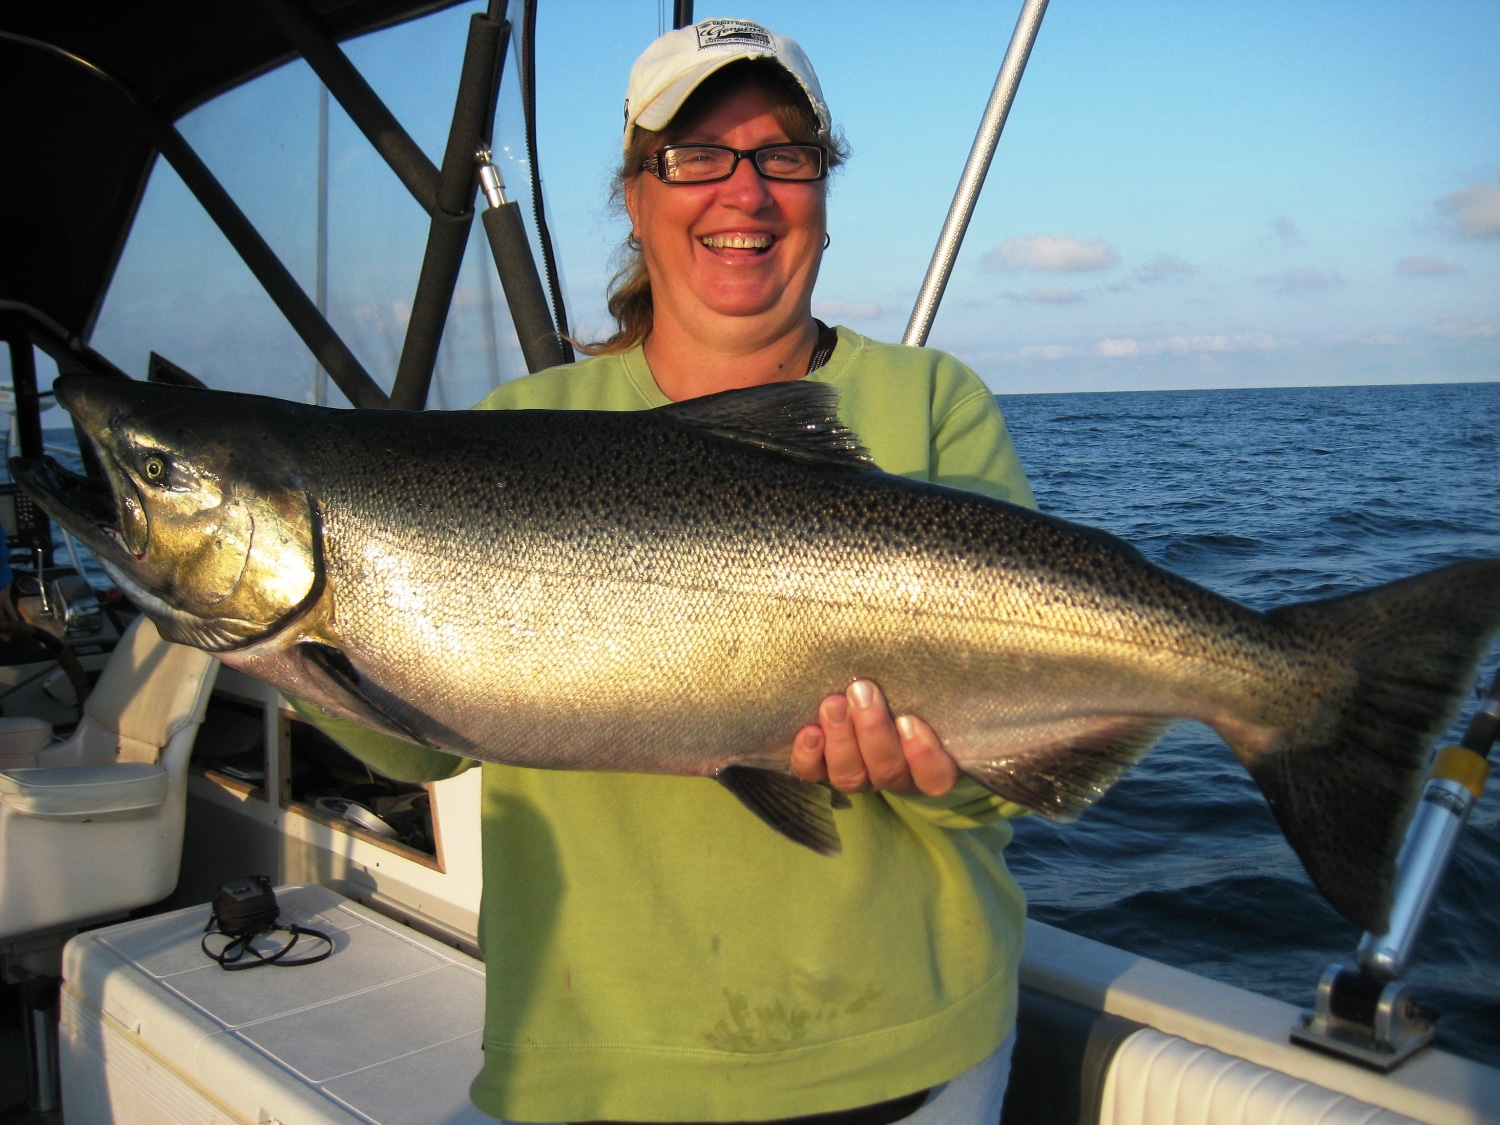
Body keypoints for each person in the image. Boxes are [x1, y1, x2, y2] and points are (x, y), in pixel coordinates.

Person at [300, 19, 1037, 1123]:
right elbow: (407, 743)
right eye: (693, 156)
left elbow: (995, 794)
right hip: (590, 1068)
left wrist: (943, 769)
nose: (742, 192)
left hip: (908, 1058)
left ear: (822, 198)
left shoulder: (935, 403)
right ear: (635, 198)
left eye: (782, 155)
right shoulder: (518, 429)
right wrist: (275, 626)